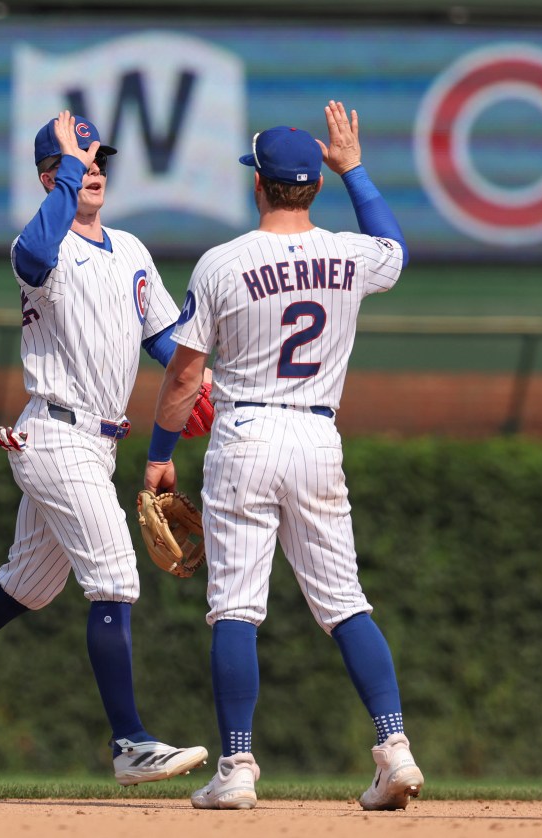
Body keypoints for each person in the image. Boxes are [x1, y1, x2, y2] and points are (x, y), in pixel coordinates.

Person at [0, 111, 209, 785]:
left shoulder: (132, 251)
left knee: (26, 584)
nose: (94, 170)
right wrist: (65, 175)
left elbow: (165, 342)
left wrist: (203, 385)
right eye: (78, 161)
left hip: (99, 443)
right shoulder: (40, 246)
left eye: (99, 159)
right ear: (48, 177)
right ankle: (129, 742)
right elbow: (32, 254)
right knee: (116, 577)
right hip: (54, 432)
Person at [143, 101, 425, 811]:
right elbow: (395, 249)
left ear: (258, 183)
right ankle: (395, 750)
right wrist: (355, 168)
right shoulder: (352, 255)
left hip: (245, 434)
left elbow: (184, 377)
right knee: (345, 604)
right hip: (317, 436)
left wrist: (159, 454)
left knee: (235, 609)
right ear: (315, 186)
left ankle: (237, 766)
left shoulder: (223, 262)